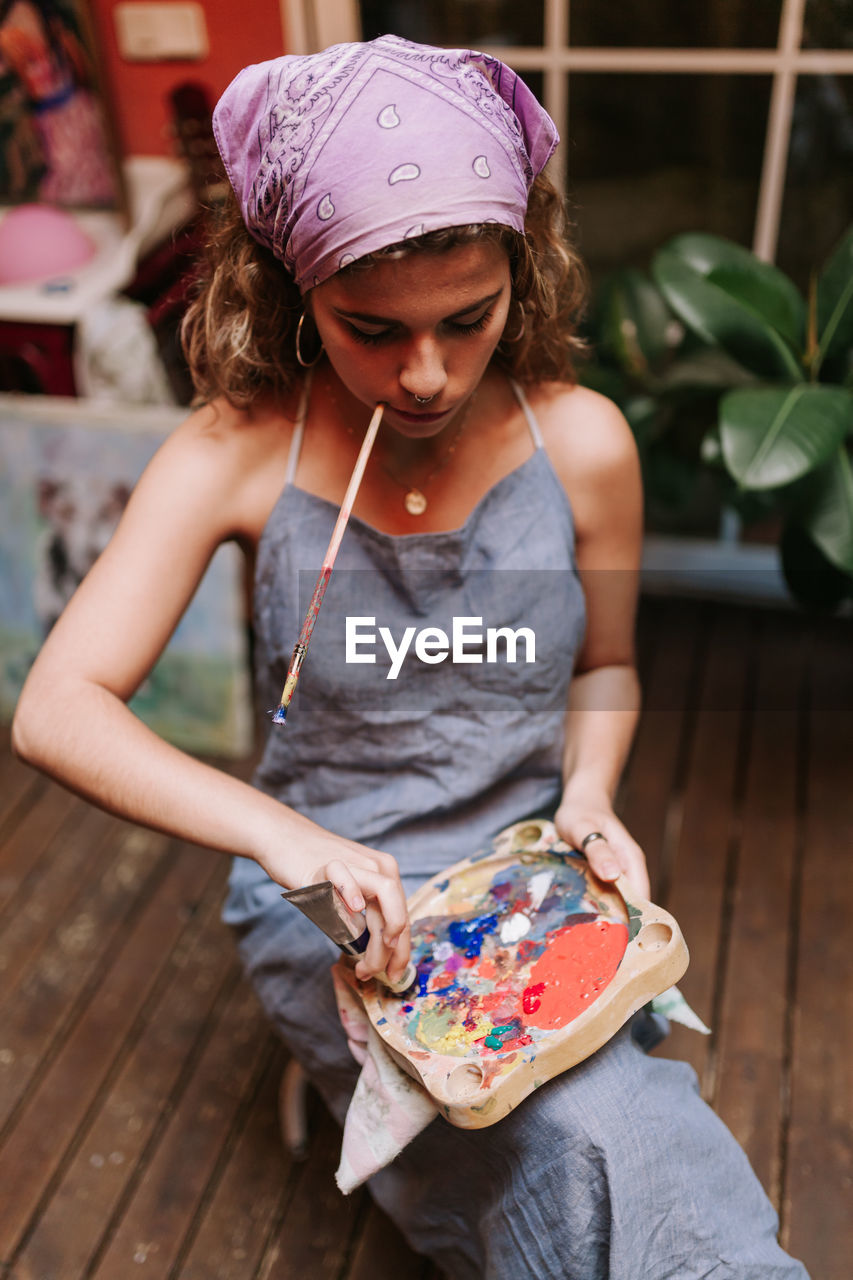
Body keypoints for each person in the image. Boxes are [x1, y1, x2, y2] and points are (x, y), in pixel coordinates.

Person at [12, 35, 808, 1280]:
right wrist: (290, 841)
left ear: (521, 275)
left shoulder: (585, 445)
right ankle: (354, 1090)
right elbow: (56, 706)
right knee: (573, 1136)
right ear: (291, 286)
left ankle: (367, 1118)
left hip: (524, 882)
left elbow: (606, 667)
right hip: (330, 901)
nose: (426, 373)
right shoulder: (238, 452)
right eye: (370, 327)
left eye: (468, 320)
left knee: (602, 1128)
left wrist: (588, 795)